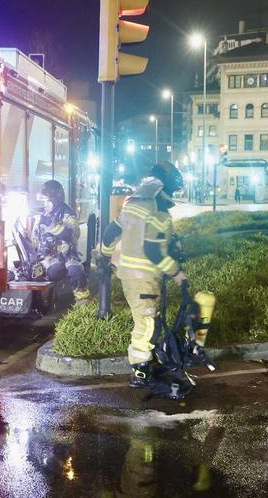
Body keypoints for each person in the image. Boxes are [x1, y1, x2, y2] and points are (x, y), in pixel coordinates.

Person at [98, 161, 188, 389]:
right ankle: (140, 372)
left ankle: (145, 363)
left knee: (148, 321)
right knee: (148, 325)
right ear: (166, 187)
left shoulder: (135, 202)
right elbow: (154, 251)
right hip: (144, 278)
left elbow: (112, 232)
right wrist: (177, 273)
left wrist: (103, 256)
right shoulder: (158, 210)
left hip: (129, 275)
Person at [32, 179, 88, 300]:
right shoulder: (44, 215)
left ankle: (82, 302)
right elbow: (35, 237)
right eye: (44, 201)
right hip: (47, 256)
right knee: (41, 273)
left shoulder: (68, 214)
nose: (45, 204)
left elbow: (69, 234)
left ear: (57, 199)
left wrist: (50, 224)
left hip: (66, 254)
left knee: (76, 272)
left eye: (48, 201)